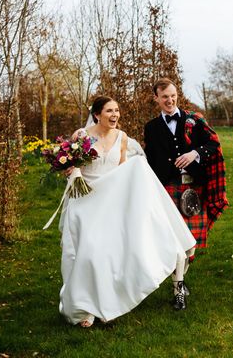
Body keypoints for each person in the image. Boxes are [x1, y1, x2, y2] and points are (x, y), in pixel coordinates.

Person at [53, 96, 196, 327]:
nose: (115, 115)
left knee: (109, 250)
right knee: (87, 251)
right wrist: (71, 171)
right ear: (97, 114)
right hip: (86, 197)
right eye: (109, 111)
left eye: (117, 111)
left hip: (110, 198)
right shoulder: (81, 136)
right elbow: (67, 164)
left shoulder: (123, 138)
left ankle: (107, 299)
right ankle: (83, 307)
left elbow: (121, 170)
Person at [143, 78, 228, 311]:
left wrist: (195, 154)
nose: (169, 100)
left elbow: (214, 145)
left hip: (195, 188)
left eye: (172, 96)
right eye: (164, 97)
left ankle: (179, 278)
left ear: (176, 94)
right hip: (169, 188)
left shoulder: (194, 120)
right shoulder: (151, 128)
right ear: (156, 99)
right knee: (175, 241)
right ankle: (178, 288)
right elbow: (151, 160)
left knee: (190, 244)